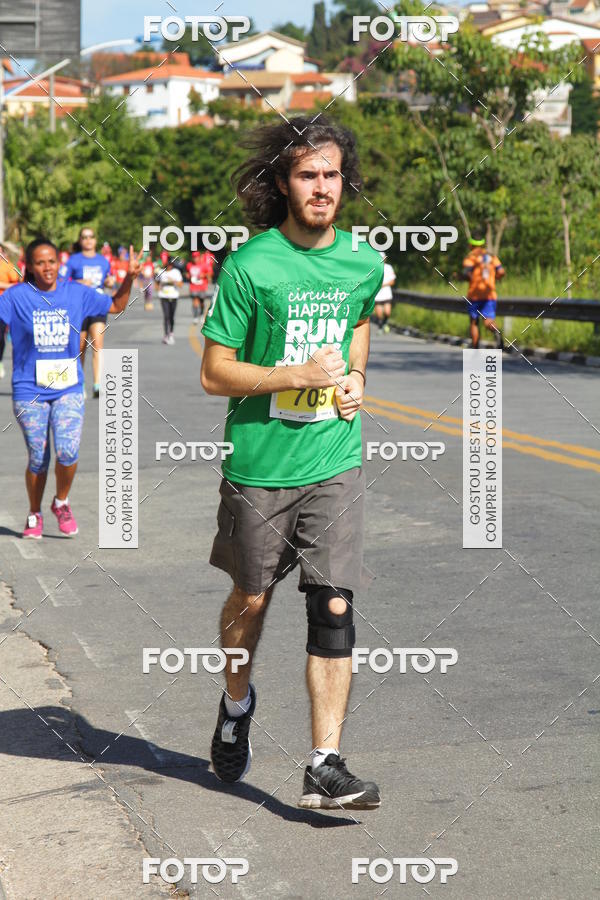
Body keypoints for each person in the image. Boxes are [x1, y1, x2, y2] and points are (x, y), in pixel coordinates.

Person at [201, 115, 383, 810]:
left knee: (334, 603)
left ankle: (324, 763)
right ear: (282, 183)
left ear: (345, 181)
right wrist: (295, 373)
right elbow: (215, 372)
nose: (321, 187)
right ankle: (236, 702)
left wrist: (355, 377)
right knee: (251, 600)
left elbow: (359, 320)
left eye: (332, 174)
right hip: (260, 466)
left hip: (333, 458)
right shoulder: (253, 265)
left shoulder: (362, 261)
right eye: (307, 174)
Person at [0, 238, 141, 539]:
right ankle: (34, 512)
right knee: (38, 457)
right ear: (30, 266)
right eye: (40, 262)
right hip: (29, 389)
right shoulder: (15, 297)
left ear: (58, 263)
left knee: (67, 451)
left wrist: (129, 277)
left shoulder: (76, 293)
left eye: (51, 261)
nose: (47, 267)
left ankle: (61, 501)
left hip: (68, 387)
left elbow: (115, 305)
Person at [65, 227, 113, 398]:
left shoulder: (103, 261)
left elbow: (109, 279)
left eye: (91, 237)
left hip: (98, 304)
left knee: (98, 344)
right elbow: (62, 281)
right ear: (80, 240)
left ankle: (98, 384)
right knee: (80, 346)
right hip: (80, 307)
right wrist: (79, 282)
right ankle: (80, 383)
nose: (88, 240)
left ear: (95, 240)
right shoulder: (73, 261)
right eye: (84, 237)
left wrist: (109, 281)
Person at [462, 233, 505, 349]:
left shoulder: (471, 257)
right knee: (488, 321)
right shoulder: (491, 257)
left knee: (474, 322)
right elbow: (501, 272)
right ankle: (495, 331)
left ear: (471, 245)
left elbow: (466, 273)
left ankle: (475, 346)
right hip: (490, 294)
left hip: (474, 295)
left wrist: (461, 277)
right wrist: (494, 278)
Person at [0, 243, 21, 379]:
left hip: (2, 305)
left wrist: (2, 285)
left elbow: (18, 284)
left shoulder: (8, 267)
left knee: (0, 335)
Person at [156, 257, 182, 344]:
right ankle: (166, 335)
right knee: (166, 316)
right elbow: (157, 282)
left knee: (171, 316)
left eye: (171, 265)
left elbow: (180, 284)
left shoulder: (176, 272)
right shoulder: (161, 272)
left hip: (173, 296)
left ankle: (171, 333)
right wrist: (159, 288)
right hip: (164, 296)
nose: (169, 266)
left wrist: (173, 281)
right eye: (168, 265)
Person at [373, 250, 396, 332]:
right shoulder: (373, 268)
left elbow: (392, 281)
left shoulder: (389, 267)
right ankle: (380, 327)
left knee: (387, 312)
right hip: (377, 295)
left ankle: (384, 324)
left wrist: (383, 285)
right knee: (379, 314)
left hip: (386, 294)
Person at [186, 251, 209, 325]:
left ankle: (202, 315)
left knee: (201, 302)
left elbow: (210, 273)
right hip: (193, 286)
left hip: (202, 286)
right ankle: (195, 317)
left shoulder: (204, 265)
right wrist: (187, 276)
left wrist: (204, 275)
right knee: (195, 301)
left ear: (199, 257)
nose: (195, 259)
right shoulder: (189, 265)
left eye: (196, 257)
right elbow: (187, 273)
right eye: (194, 257)